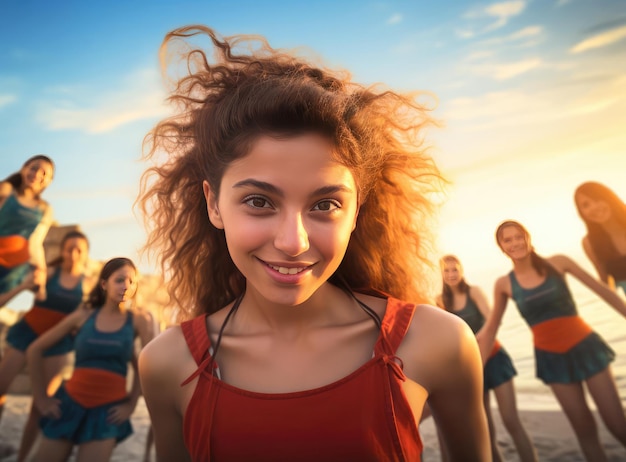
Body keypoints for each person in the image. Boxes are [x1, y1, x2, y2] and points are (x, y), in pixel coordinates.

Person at [137, 24, 490, 462]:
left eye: (324, 205)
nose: (292, 242)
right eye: (259, 201)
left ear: (357, 211)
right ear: (213, 205)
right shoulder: (169, 364)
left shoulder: (437, 342)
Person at [477, 220, 626, 462]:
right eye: (508, 240)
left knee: (618, 425)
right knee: (585, 431)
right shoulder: (504, 284)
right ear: (502, 247)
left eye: (518, 236)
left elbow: (603, 291)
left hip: (586, 347)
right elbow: (491, 329)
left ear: (527, 236)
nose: (515, 242)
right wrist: (475, 371)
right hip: (551, 358)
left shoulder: (558, 263)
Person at [27, 257, 153, 462]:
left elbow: (145, 364)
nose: (126, 287)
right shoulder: (83, 316)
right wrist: (41, 399)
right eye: (119, 280)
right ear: (104, 284)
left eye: (132, 282)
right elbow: (35, 349)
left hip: (108, 412)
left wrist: (131, 404)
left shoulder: (137, 320)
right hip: (68, 405)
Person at [0, 230, 93, 461]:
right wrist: (28, 285)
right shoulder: (50, 273)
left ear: (86, 254)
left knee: (41, 406)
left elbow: (88, 317)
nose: (73, 253)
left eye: (79, 249)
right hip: (27, 333)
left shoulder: (88, 284)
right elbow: (28, 285)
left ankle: (22, 457)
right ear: (61, 251)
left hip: (57, 343)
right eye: (69, 248)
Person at [436, 255, 537, 462]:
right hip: (470, 369)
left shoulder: (474, 292)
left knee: (511, 421)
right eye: (446, 271)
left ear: (461, 270)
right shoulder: (440, 301)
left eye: (455, 270)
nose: (451, 274)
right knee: (486, 431)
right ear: (441, 275)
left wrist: (474, 339)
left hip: (495, 359)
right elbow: (444, 335)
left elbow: (492, 319)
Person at [0, 155, 55, 302]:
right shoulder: (5, 190)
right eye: (34, 168)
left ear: (49, 181)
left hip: (13, 271)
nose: (37, 174)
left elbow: (36, 243)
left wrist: (41, 282)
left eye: (44, 173)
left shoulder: (44, 209)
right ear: (24, 169)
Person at [574, 181, 626, 294]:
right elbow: (607, 286)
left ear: (609, 198)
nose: (594, 207)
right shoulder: (589, 243)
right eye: (586, 205)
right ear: (581, 212)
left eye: (597, 199)